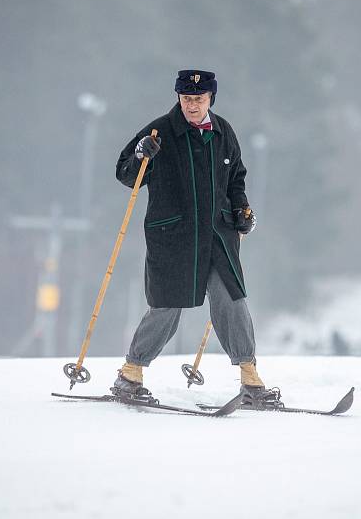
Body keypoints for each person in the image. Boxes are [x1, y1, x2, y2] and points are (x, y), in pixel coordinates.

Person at [113, 69, 279, 406]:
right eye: (187, 99)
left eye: (198, 99)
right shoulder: (159, 131)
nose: (192, 105)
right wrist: (142, 154)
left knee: (231, 301)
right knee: (167, 305)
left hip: (218, 235)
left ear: (210, 99)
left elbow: (236, 179)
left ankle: (250, 378)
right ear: (178, 97)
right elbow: (126, 174)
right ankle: (130, 373)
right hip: (174, 236)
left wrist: (242, 210)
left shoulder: (223, 132)